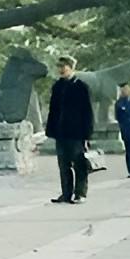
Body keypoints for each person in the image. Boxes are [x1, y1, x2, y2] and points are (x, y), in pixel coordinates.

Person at [46, 55, 94, 205]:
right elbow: (53, 110)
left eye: (63, 67)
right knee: (63, 164)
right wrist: (51, 130)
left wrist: (87, 134)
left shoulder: (81, 87)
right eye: (59, 67)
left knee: (79, 163)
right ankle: (66, 193)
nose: (61, 70)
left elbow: (87, 112)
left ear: (71, 67)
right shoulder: (57, 86)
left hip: (76, 132)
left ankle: (80, 193)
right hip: (61, 132)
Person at [115, 83, 130, 178]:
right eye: (122, 89)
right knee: (129, 149)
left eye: (126, 89)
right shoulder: (119, 102)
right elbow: (118, 116)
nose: (124, 91)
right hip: (126, 128)